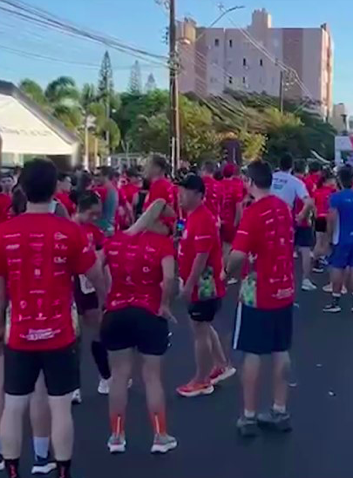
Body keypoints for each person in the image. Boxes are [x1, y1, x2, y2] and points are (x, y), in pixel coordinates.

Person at [0, 158, 108, 478]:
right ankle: (62, 471)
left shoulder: (3, 232)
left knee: (14, 404)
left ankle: (13, 470)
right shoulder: (71, 231)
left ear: (22, 188)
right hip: (60, 332)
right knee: (60, 406)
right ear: (56, 189)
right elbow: (95, 275)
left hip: (19, 331)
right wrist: (106, 303)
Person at [0, 187, 58, 475]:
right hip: (37, 318)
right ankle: (40, 457)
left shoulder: (3, 234)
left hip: (7, 317)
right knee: (39, 391)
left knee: (1, 390)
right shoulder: (55, 230)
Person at [101, 199, 179, 454]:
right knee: (152, 377)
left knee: (119, 376)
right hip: (149, 312)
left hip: (116, 312)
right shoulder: (163, 245)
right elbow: (169, 278)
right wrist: (165, 303)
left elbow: (91, 268)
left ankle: (116, 435)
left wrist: (106, 297)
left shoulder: (114, 241)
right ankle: (160, 435)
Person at [227, 160, 296, 437]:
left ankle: (249, 415)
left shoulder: (253, 213)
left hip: (258, 290)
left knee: (253, 352)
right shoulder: (283, 208)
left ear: (250, 182)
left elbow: (238, 255)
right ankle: (280, 409)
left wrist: (225, 271)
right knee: (281, 350)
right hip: (285, 288)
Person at [174, 174, 235, 398]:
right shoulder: (192, 216)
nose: (180, 196)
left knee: (199, 328)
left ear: (199, 195)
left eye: (185, 192)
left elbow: (202, 255)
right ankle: (220, 364)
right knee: (203, 326)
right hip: (200, 282)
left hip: (204, 283)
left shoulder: (203, 219)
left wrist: (189, 284)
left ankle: (201, 380)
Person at [71, 191, 110, 403]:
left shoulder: (94, 231)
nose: (96, 218)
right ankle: (73, 387)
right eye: (93, 214)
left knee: (97, 332)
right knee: (73, 338)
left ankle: (105, 377)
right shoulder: (68, 228)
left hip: (90, 287)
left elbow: (102, 262)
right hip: (72, 286)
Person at [318, 166, 353, 313]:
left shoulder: (336, 197)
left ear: (339, 180)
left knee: (337, 268)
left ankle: (335, 301)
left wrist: (328, 239)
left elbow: (332, 219)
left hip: (341, 238)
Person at [270, 154, 315, 292]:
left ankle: (273, 278)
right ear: (291, 166)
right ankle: (304, 280)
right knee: (302, 249)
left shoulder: (270, 177)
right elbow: (309, 201)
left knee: (274, 249)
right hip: (287, 218)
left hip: (270, 217)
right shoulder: (296, 182)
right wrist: (302, 215)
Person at [311, 170, 335, 276]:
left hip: (318, 218)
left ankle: (316, 260)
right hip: (327, 218)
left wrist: (315, 214)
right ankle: (322, 258)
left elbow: (313, 205)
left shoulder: (317, 191)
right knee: (326, 241)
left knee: (319, 241)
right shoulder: (332, 192)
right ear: (328, 180)